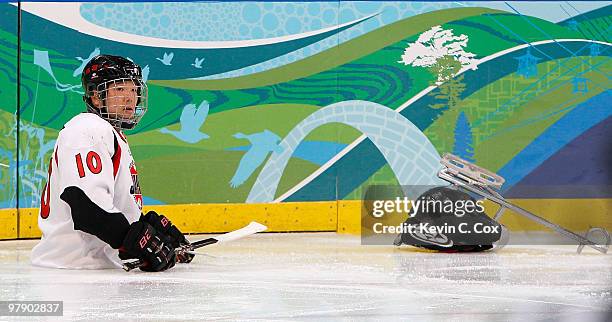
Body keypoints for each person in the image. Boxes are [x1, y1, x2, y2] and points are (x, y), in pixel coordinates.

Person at [31, 55, 192, 271]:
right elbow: (87, 207)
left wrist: (145, 225)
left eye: (134, 90)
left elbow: (106, 204)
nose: (130, 98)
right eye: (120, 90)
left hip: (91, 271)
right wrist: (136, 241)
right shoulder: (88, 128)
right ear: (97, 97)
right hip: (73, 272)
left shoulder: (111, 134)